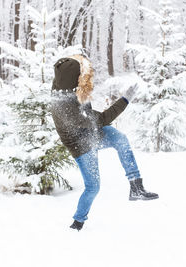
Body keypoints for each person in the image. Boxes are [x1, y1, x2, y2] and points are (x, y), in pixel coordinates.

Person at [51, 54, 159, 231]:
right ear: (73, 78)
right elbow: (102, 119)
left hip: (92, 130)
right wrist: (125, 99)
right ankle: (77, 223)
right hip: (81, 144)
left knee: (120, 139)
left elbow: (66, 66)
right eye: (80, 75)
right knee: (93, 187)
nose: (83, 78)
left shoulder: (66, 86)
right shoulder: (64, 108)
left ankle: (136, 187)